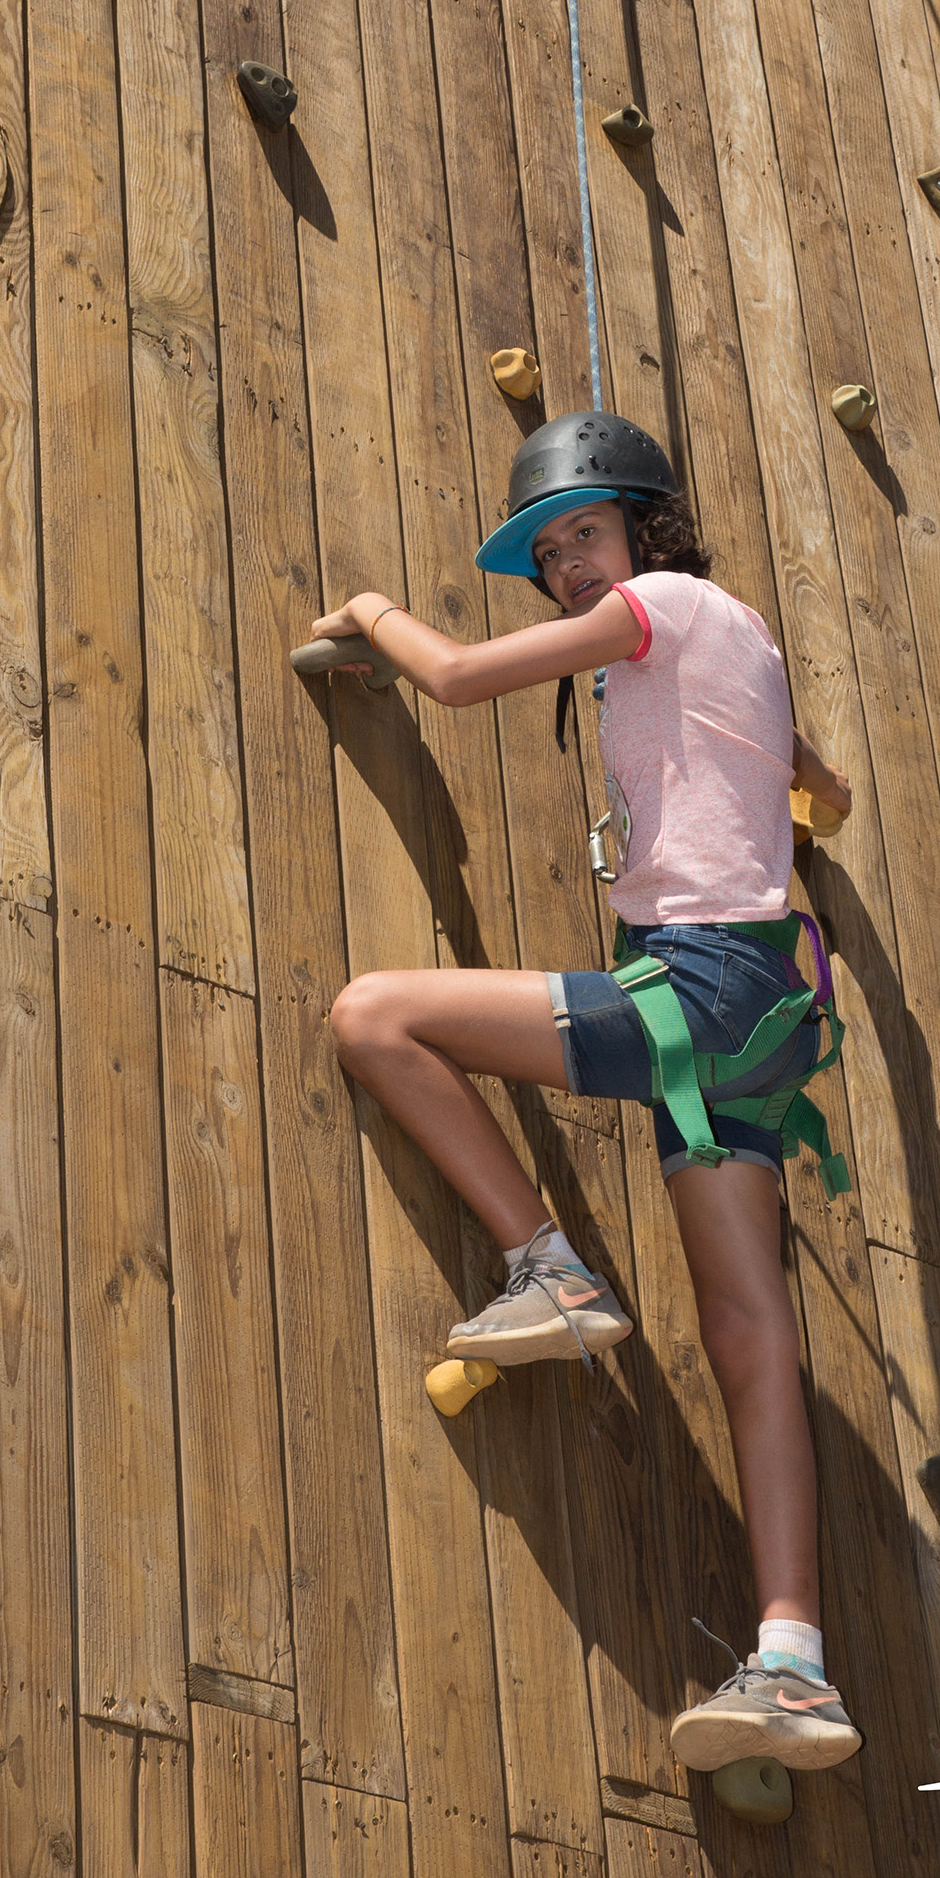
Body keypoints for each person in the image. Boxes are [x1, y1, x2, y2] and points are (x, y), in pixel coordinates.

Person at [314, 412, 861, 1774]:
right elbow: (818, 786)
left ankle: (546, 1269)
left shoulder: (660, 605)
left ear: (647, 528)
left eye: (583, 534)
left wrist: (372, 613)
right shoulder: (737, 639)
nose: (566, 565)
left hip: (705, 987)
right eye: (549, 552)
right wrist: (803, 793)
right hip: (767, 1023)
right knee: (749, 1334)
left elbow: (448, 679)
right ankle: (791, 1658)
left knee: (374, 1014)